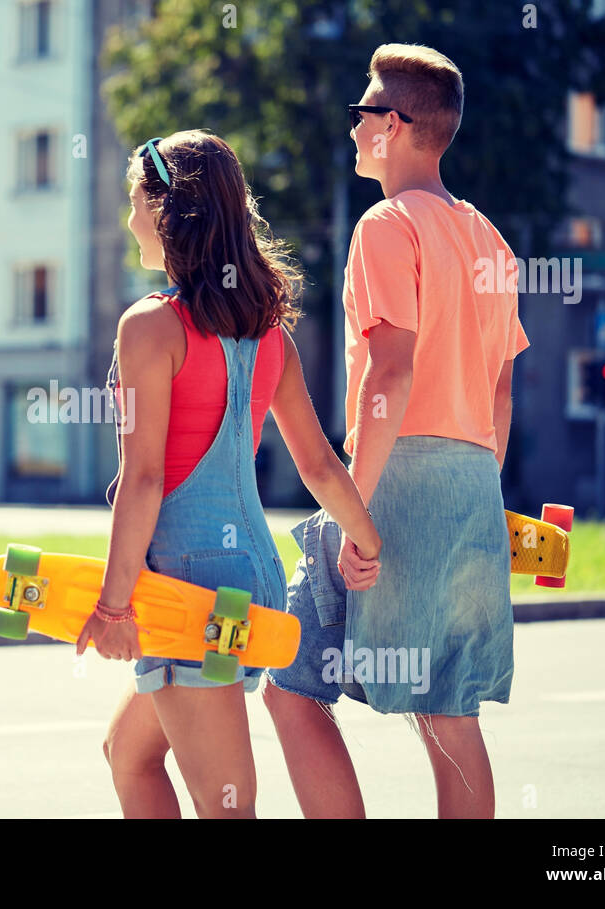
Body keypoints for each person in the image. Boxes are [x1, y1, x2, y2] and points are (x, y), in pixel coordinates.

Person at [262, 44, 531, 819]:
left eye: (363, 113)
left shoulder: (385, 225)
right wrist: (477, 493)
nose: (351, 129)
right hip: (472, 479)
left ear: (399, 125)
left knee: (289, 679)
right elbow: (503, 393)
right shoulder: (490, 240)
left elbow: (390, 375)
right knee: (450, 710)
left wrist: (359, 513)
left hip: (393, 482)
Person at [78, 129, 381, 819]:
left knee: (227, 806)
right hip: (252, 575)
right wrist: (364, 539)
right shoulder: (267, 331)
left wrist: (113, 605)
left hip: (192, 593)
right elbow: (319, 462)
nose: (128, 219)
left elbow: (145, 479)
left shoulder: (150, 328)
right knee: (128, 751)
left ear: (167, 210)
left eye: (135, 200)